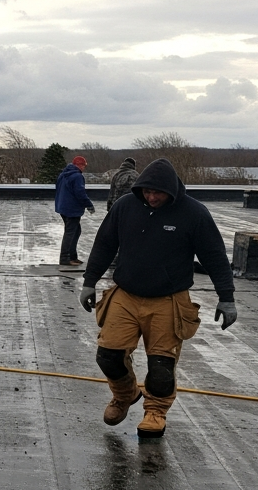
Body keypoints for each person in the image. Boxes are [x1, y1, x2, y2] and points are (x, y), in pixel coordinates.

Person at [79, 158, 237, 438]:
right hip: (125, 295)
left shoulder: (194, 213)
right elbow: (104, 243)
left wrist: (226, 298)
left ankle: (155, 411)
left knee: (161, 367)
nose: (152, 197)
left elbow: (214, 257)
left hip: (168, 300)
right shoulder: (124, 207)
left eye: (158, 193)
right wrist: (89, 282)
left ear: (172, 191)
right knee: (108, 355)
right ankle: (125, 394)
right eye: (147, 192)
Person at [55, 155, 96, 266]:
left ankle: (72, 257)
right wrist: (89, 205)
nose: (84, 168)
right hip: (72, 209)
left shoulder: (63, 175)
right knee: (70, 233)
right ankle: (65, 258)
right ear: (78, 165)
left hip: (63, 208)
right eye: (83, 165)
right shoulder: (77, 176)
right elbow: (80, 193)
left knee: (75, 231)